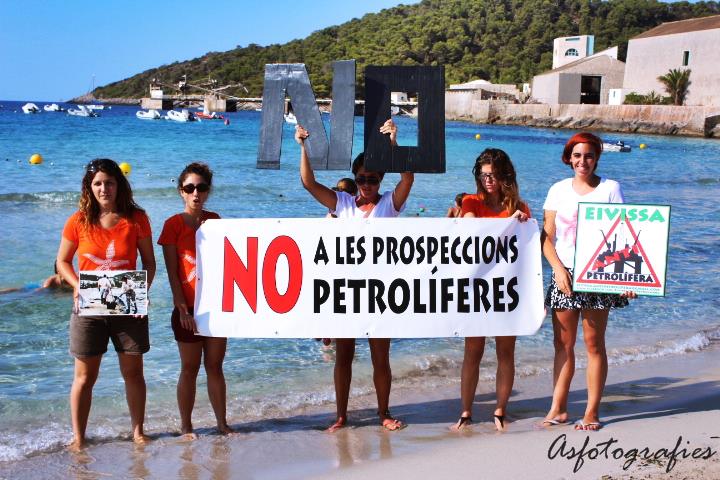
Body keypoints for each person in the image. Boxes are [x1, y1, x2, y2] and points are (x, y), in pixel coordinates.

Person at [295, 119, 414, 432]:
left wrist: (394, 144)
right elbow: (309, 183)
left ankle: (384, 412)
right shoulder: (343, 203)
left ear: (380, 178)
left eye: (372, 179)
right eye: (361, 178)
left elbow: (408, 177)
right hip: (346, 291)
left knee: (380, 358)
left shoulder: (389, 204)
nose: (366, 184)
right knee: (343, 358)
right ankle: (341, 415)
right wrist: (303, 147)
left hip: (380, 293)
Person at [55, 158, 156, 451]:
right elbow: (62, 261)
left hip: (128, 303)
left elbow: (149, 262)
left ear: (118, 185)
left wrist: (142, 292)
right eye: (97, 183)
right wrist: (77, 286)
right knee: (85, 377)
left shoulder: (137, 218)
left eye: (109, 182)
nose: (104, 189)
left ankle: (138, 433)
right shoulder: (78, 220)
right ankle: (79, 439)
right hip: (89, 305)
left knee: (133, 373)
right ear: (89, 187)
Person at [541, 132, 636, 431]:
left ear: (597, 158)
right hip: (564, 274)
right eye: (577, 155)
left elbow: (624, 235)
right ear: (569, 158)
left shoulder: (611, 188)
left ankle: (591, 412)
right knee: (562, 344)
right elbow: (547, 237)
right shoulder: (557, 190)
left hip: (599, 273)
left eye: (589, 156)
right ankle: (558, 409)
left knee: (594, 344)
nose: (583, 161)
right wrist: (558, 269)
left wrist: (629, 279)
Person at [450, 149, 530, 432]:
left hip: (507, 289)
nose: (488, 180)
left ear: (505, 176)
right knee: (473, 351)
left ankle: (500, 410)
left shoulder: (520, 207)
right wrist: (508, 223)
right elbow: (471, 226)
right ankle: (465, 412)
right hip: (477, 288)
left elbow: (527, 255)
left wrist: (518, 221)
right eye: (484, 175)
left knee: (506, 352)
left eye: (493, 175)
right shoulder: (471, 201)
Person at [158, 162, 234, 438]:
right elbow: (173, 274)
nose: (195, 193)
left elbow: (228, 264)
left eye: (201, 188)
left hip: (214, 309)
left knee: (215, 367)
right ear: (181, 191)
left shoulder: (215, 221)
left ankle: (222, 424)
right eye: (189, 188)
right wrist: (182, 310)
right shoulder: (173, 225)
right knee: (189, 369)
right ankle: (186, 426)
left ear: (208, 190)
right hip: (187, 309)